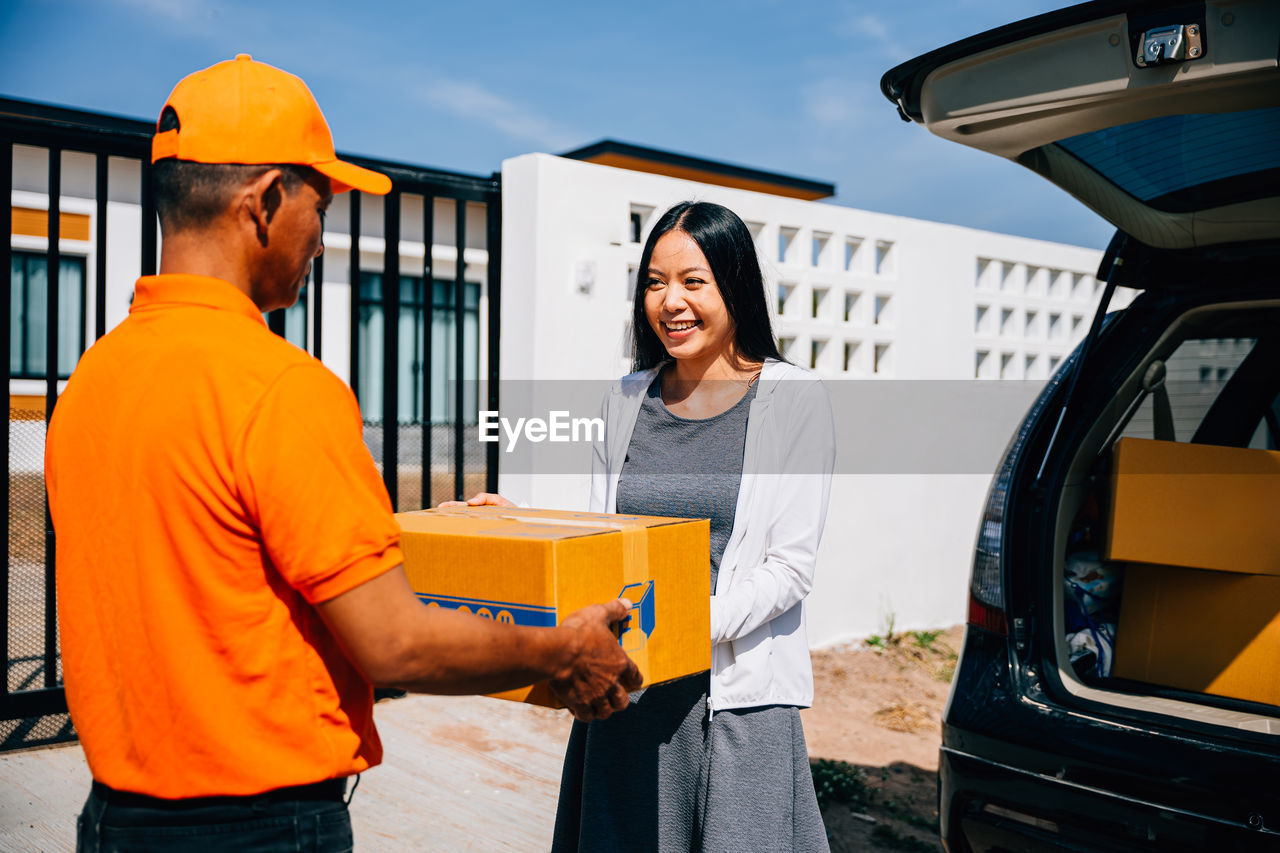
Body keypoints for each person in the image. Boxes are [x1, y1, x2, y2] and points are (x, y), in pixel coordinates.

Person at [44, 55, 640, 853]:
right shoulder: (281, 388)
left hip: (116, 818)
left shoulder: (93, 380)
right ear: (265, 202)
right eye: (320, 207)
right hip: (259, 827)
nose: (323, 238)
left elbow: (218, 567)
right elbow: (395, 642)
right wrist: (563, 649)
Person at [453, 201, 836, 851]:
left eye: (693, 281)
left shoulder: (793, 399)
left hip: (736, 701)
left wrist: (685, 626)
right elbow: (605, 534)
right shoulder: (626, 398)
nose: (670, 301)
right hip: (631, 691)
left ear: (735, 285)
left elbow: (790, 567)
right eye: (655, 282)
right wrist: (523, 519)